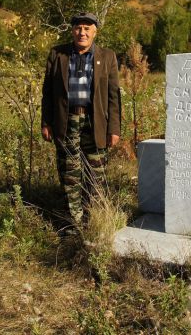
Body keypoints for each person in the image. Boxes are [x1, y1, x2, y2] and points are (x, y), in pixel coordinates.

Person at [41, 12, 121, 228]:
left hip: (96, 124)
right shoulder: (58, 55)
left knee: (96, 174)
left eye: (87, 28)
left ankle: (94, 219)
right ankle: (73, 224)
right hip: (66, 122)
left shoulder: (107, 57)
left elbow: (114, 96)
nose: (82, 32)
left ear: (95, 31)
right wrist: (46, 122)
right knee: (70, 173)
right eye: (78, 28)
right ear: (72, 31)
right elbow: (47, 92)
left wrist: (114, 128)